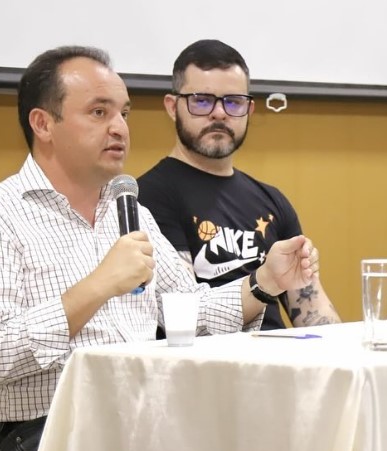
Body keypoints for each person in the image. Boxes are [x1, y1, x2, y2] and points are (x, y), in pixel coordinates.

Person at [0, 45, 322, 451]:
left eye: (124, 113)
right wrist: (99, 284)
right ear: (43, 123)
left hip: (150, 417)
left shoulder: (129, 211)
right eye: (99, 113)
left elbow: (189, 312)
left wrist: (263, 283)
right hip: (48, 431)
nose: (120, 128)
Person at [138, 40, 340, 330]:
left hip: (284, 364)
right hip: (208, 369)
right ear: (173, 107)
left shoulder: (272, 200)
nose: (219, 113)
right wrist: (263, 281)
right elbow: (183, 317)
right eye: (202, 100)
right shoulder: (147, 198)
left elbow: (311, 308)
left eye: (233, 102)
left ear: (249, 109)